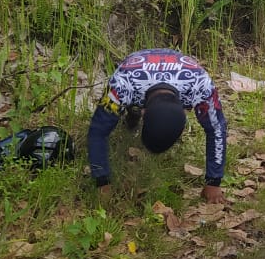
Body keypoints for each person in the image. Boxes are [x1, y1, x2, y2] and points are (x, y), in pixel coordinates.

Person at [86, 48, 227, 203]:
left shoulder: (201, 85)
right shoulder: (122, 84)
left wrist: (214, 181)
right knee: (123, 113)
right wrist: (102, 181)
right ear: (144, 113)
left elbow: (217, 128)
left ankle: (136, 116)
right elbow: (97, 130)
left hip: (180, 73)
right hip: (136, 65)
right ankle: (132, 114)